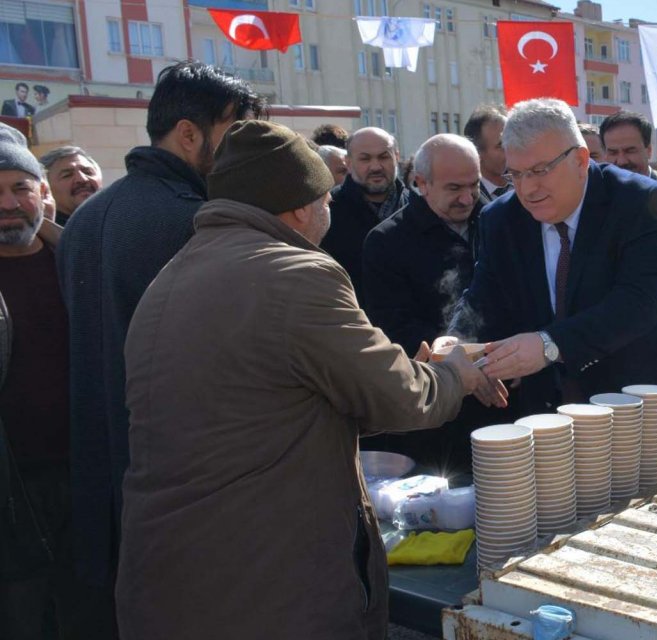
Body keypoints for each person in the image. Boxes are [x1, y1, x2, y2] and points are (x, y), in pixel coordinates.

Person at [116, 120, 501, 640]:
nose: (331, 208)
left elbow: (281, 395)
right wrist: (453, 373)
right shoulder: (297, 274)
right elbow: (398, 396)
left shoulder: (171, 278)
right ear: (301, 206)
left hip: (168, 575)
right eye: (326, 197)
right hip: (267, 584)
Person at [55, 61, 265, 628]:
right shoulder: (194, 224)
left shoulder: (84, 219)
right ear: (189, 132)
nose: (244, 151)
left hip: (106, 486)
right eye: (235, 133)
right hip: (183, 494)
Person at [441, 98, 657, 454]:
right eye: (517, 174)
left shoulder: (642, 202)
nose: (527, 190)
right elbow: (484, 295)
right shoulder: (501, 218)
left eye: (540, 170)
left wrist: (548, 344)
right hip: (557, 415)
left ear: (581, 160)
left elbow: (638, 303)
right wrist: (454, 340)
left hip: (648, 401)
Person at [363, 134, 503, 472]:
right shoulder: (387, 242)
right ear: (421, 183)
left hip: (505, 392)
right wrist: (468, 364)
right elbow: (394, 327)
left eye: (473, 185)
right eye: (454, 188)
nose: (468, 198)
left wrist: (501, 358)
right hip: (438, 410)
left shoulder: (498, 223)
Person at [0, 124, 77, 640]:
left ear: (42, 193)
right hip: (11, 491)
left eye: (19, 188)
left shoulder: (79, 263)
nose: (8, 204)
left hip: (84, 477)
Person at [321, 127, 406, 303]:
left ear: (396, 157)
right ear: (348, 163)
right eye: (365, 158)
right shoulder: (327, 210)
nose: (375, 166)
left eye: (383, 157)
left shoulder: (418, 206)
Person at [39, 146, 102, 225]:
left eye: (88, 172)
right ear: (45, 189)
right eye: (67, 175)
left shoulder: (117, 221)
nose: (82, 179)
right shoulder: (40, 235)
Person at [463, 105, 510, 203]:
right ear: (476, 153)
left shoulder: (527, 187)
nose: (511, 150)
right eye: (501, 145)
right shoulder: (466, 199)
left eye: (512, 141)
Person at [599, 110, 657, 178]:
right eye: (613, 153)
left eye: (629, 151)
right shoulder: (597, 187)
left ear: (649, 151)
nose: (621, 161)